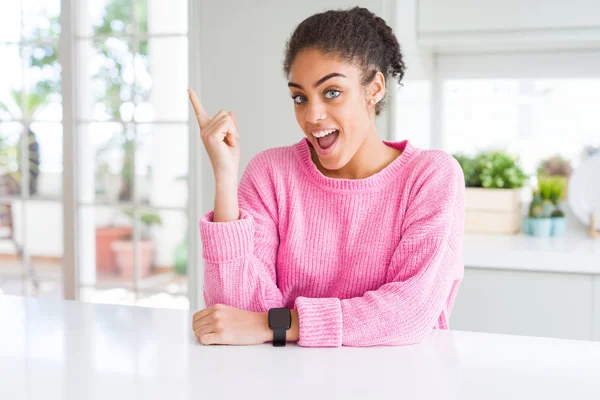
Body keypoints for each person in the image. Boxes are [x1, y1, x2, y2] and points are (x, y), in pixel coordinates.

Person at [190, 7, 465, 347]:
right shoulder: (271, 173)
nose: (312, 115)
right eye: (300, 97)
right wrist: (225, 178)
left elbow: (408, 313)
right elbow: (233, 317)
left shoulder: (430, 176)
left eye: (331, 92)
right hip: (284, 382)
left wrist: (278, 323)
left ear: (374, 88)